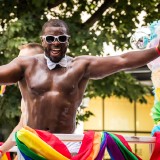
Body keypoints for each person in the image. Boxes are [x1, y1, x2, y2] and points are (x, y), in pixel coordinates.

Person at [0, 19, 160, 157]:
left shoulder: (80, 66)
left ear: (67, 41)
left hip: (67, 142)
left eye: (61, 38)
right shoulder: (26, 65)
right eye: (50, 38)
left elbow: (122, 60)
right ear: (43, 41)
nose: (56, 42)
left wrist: (157, 50)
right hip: (32, 142)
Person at [0, 43, 44, 158]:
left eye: (24, 61)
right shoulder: (28, 93)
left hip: (52, 150)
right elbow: (23, 126)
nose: (19, 65)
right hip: (31, 150)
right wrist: (2, 150)